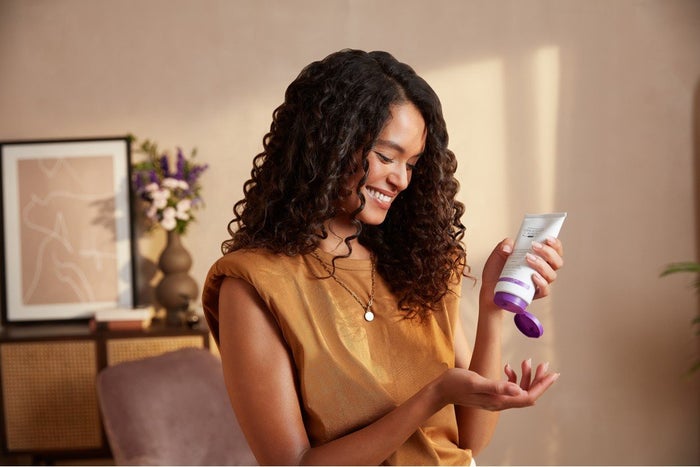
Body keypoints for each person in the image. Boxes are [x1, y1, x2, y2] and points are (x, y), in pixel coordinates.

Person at [202, 49, 564, 466]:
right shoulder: (253, 284)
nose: (401, 179)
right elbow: (293, 463)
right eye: (387, 156)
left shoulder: (420, 264)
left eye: (412, 163)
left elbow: (470, 441)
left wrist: (491, 309)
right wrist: (433, 395)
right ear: (326, 144)